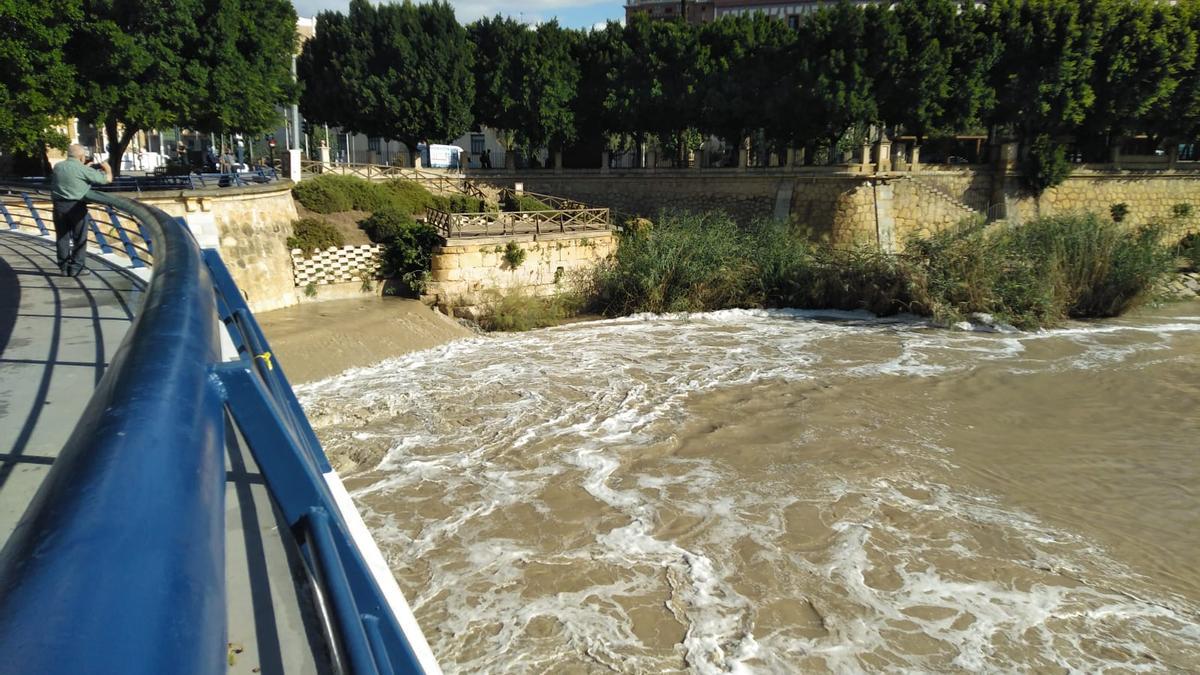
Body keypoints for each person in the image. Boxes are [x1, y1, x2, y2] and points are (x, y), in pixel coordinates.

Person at [50, 144, 112, 276]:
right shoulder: (82, 169)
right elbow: (107, 180)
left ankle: (64, 268)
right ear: (81, 157)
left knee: (62, 237)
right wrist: (108, 169)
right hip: (76, 207)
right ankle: (77, 268)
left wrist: (85, 168)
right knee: (79, 238)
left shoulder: (58, 166)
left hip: (58, 206)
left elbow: (72, 177)